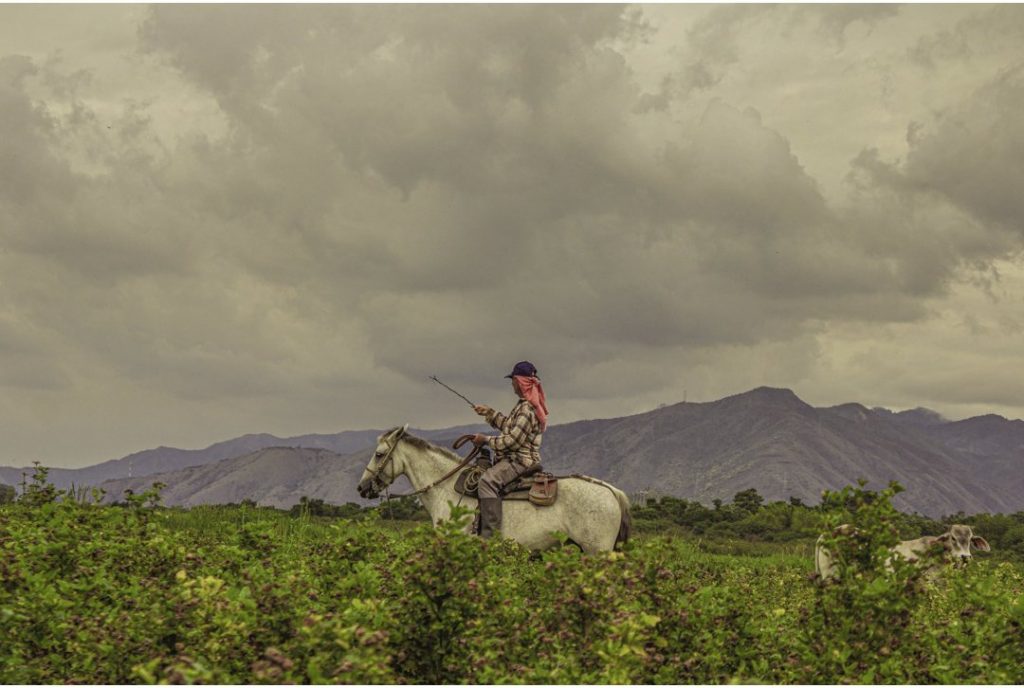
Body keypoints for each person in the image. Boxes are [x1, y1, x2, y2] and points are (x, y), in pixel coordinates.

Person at [470, 360, 548, 538]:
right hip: (516, 459)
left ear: (520, 382)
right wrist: (489, 413)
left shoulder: (527, 409)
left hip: (520, 461)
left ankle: (490, 537)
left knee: (486, 481)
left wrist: (485, 440)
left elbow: (512, 441)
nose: (512, 383)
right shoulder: (524, 405)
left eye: (513, 379)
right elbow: (509, 426)